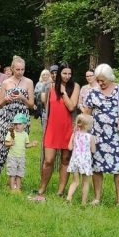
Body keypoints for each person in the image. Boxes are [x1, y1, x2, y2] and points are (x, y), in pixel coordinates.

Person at [80, 63, 119, 206]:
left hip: (117, 136)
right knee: (97, 167)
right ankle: (97, 198)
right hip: (98, 136)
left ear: (110, 77)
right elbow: (86, 113)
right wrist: (81, 130)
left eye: (103, 80)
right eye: (98, 80)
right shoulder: (93, 92)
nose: (100, 83)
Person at [34, 62, 80, 200]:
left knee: (66, 159)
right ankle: (42, 188)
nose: (67, 76)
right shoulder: (49, 87)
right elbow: (45, 107)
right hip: (52, 128)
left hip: (68, 128)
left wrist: (63, 92)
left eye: (69, 74)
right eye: (64, 73)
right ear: (58, 74)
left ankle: (60, 191)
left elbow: (72, 107)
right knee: (48, 160)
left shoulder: (75, 86)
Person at [0, 56, 36, 180]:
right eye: (17, 69)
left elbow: (31, 105)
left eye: (22, 69)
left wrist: (23, 98)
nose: (20, 72)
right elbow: (0, 104)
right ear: (12, 68)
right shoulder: (6, 82)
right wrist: (6, 99)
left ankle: (14, 181)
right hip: (7, 116)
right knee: (4, 147)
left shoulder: (29, 82)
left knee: (18, 148)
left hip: (22, 118)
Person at [66, 113, 97, 205]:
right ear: (87, 125)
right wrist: (94, 143)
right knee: (86, 182)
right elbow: (93, 150)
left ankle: (69, 197)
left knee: (75, 181)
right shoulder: (90, 137)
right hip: (85, 162)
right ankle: (83, 202)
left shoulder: (74, 134)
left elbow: (70, 148)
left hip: (75, 160)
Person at [5, 112, 35, 193]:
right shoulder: (11, 133)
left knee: (19, 173)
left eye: (19, 124)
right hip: (12, 157)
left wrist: (32, 144)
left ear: (24, 125)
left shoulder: (25, 134)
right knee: (12, 173)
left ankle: (18, 188)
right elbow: (5, 143)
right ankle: (12, 188)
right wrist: (10, 143)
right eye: (15, 124)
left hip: (21, 157)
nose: (16, 126)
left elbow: (26, 145)